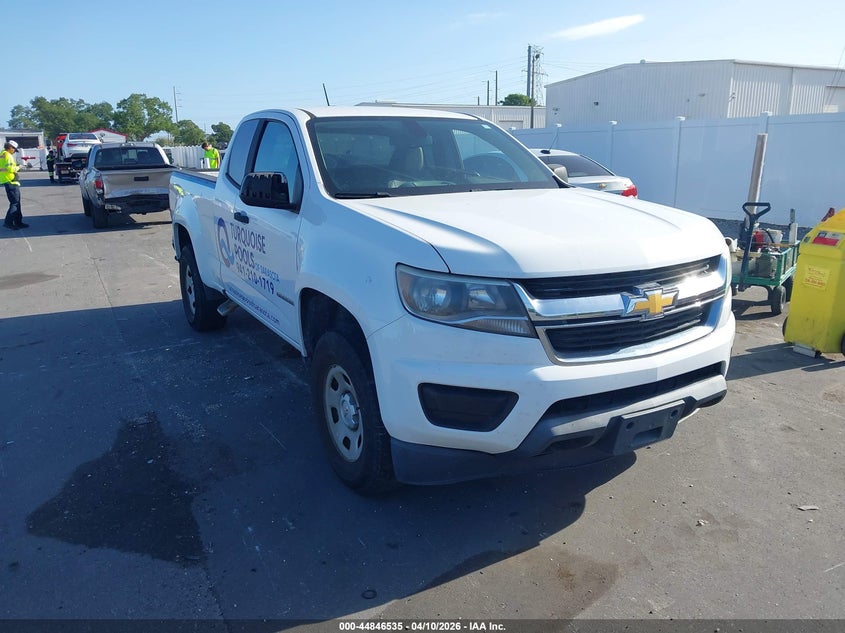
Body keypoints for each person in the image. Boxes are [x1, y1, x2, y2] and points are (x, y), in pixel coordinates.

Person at [2, 140, 27, 230]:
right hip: (11, 181)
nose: (14, 152)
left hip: (7, 180)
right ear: (10, 147)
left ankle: (18, 222)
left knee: (16, 203)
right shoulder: (8, 155)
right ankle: (8, 222)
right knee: (15, 203)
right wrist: (19, 167)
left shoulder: (2, 154)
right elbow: (10, 168)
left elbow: (4, 167)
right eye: (14, 150)